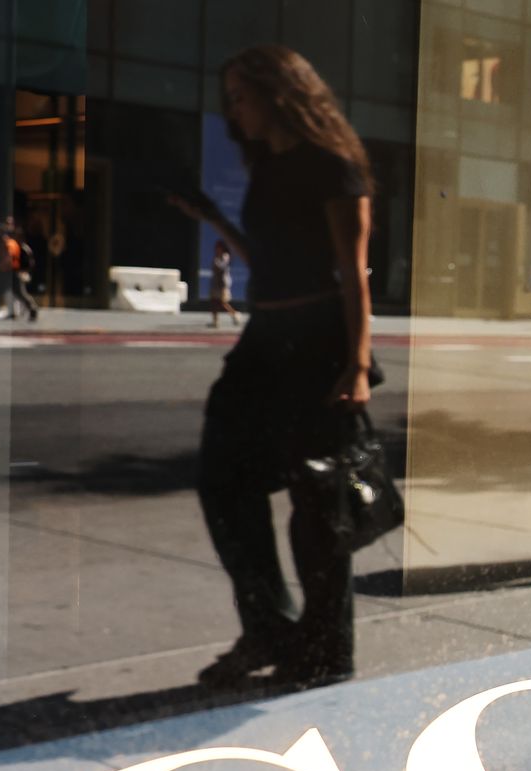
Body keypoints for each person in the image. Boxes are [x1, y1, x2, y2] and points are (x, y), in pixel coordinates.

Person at [169, 44, 375, 688]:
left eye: (241, 96)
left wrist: (359, 363)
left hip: (319, 343)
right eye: (229, 98)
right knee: (223, 479)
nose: (234, 110)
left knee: (319, 507)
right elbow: (268, 262)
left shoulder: (334, 166)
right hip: (266, 338)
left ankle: (326, 653)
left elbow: (353, 271)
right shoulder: (268, 168)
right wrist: (211, 219)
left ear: (278, 92)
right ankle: (268, 627)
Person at [210, 239, 240, 327]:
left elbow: (221, 267)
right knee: (214, 302)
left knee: (222, 302)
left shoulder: (225, 256)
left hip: (223, 283)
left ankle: (235, 314)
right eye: (216, 248)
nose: (217, 249)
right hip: (215, 283)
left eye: (219, 247)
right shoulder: (216, 257)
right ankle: (215, 321)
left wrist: (217, 264)